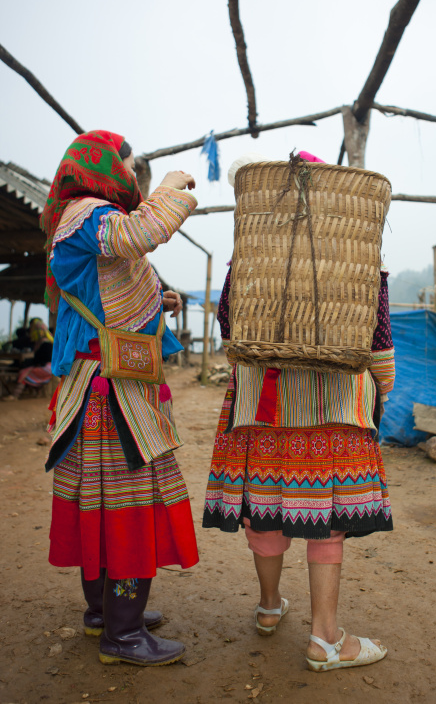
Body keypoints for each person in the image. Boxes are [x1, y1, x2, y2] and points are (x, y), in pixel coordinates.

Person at [203, 151, 395, 671]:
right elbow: (379, 344)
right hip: (332, 409)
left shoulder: (248, 264)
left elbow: (229, 327)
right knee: (324, 519)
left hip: (261, 407)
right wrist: (380, 391)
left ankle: (269, 609)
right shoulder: (358, 264)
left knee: (266, 511)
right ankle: (326, 639)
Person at [41, 130, 199, 666]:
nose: (134, 178)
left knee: (98, 502)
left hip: (96, 386)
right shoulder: (88, 213)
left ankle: (104, 614)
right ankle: (124, 634)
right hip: (111, 395)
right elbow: (140, 234)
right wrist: (175, 189)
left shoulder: (82, 219)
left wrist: (162, 298)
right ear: (106, 168)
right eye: (130, 167)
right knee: (127, 505)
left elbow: (112, 282)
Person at [3, 318, 54, 400]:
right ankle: (21, 393)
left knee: (24, 373)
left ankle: (15, 395)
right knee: (24, 371)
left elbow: (42, 360)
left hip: (47, 368)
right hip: (43, 366)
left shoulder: (46, 343)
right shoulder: (40, 342)